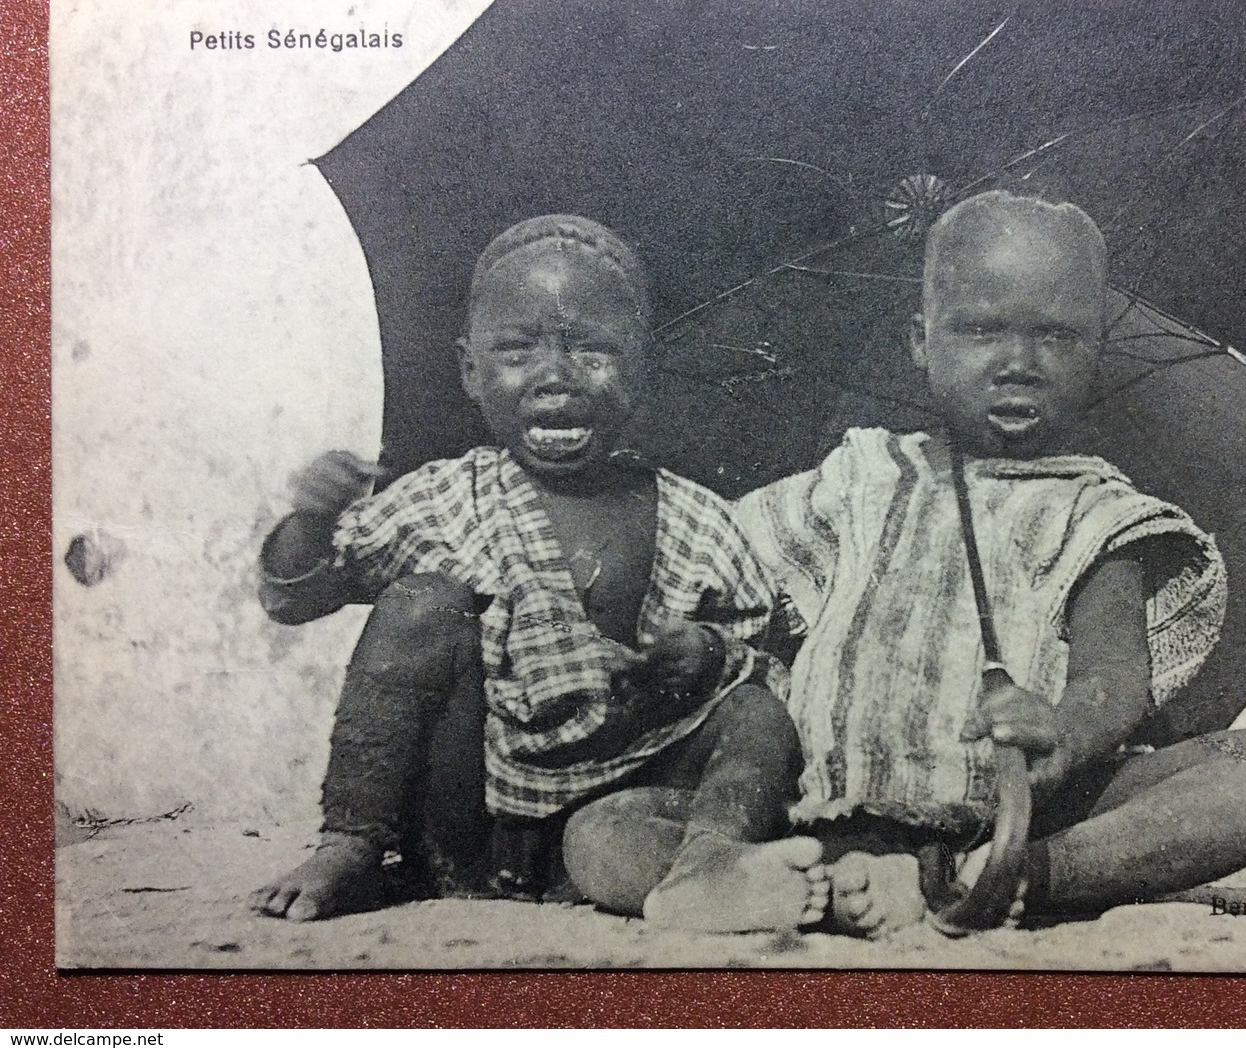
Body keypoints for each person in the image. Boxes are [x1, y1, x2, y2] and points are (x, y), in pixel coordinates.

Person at [565, 191, 1246, 935]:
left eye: (1055, 336)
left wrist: (1063, 729)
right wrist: (684, 638)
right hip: (820, 806)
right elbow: (729, 576)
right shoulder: (857, 478)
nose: (1018, 362)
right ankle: (790, 881)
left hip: (1022, 813)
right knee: (601, 832)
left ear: (1097, 348)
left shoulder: (1100, 515)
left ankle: (1020, 875)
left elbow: (1115, 673)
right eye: (982, 331)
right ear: (922, 342)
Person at [249, 215, 828, 932]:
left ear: (642, 366)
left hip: (622, 800)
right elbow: (298, 596)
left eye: (591, 350)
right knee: (421, 602)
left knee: (753, 711)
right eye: (517, 351)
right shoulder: (447, 498)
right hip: (471, 823)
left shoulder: (697, 518)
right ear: (468, 369)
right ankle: (351, 842)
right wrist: (310, 519)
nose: (555, 377)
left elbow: (768, 658)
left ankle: (709, 861)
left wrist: (705, 656)